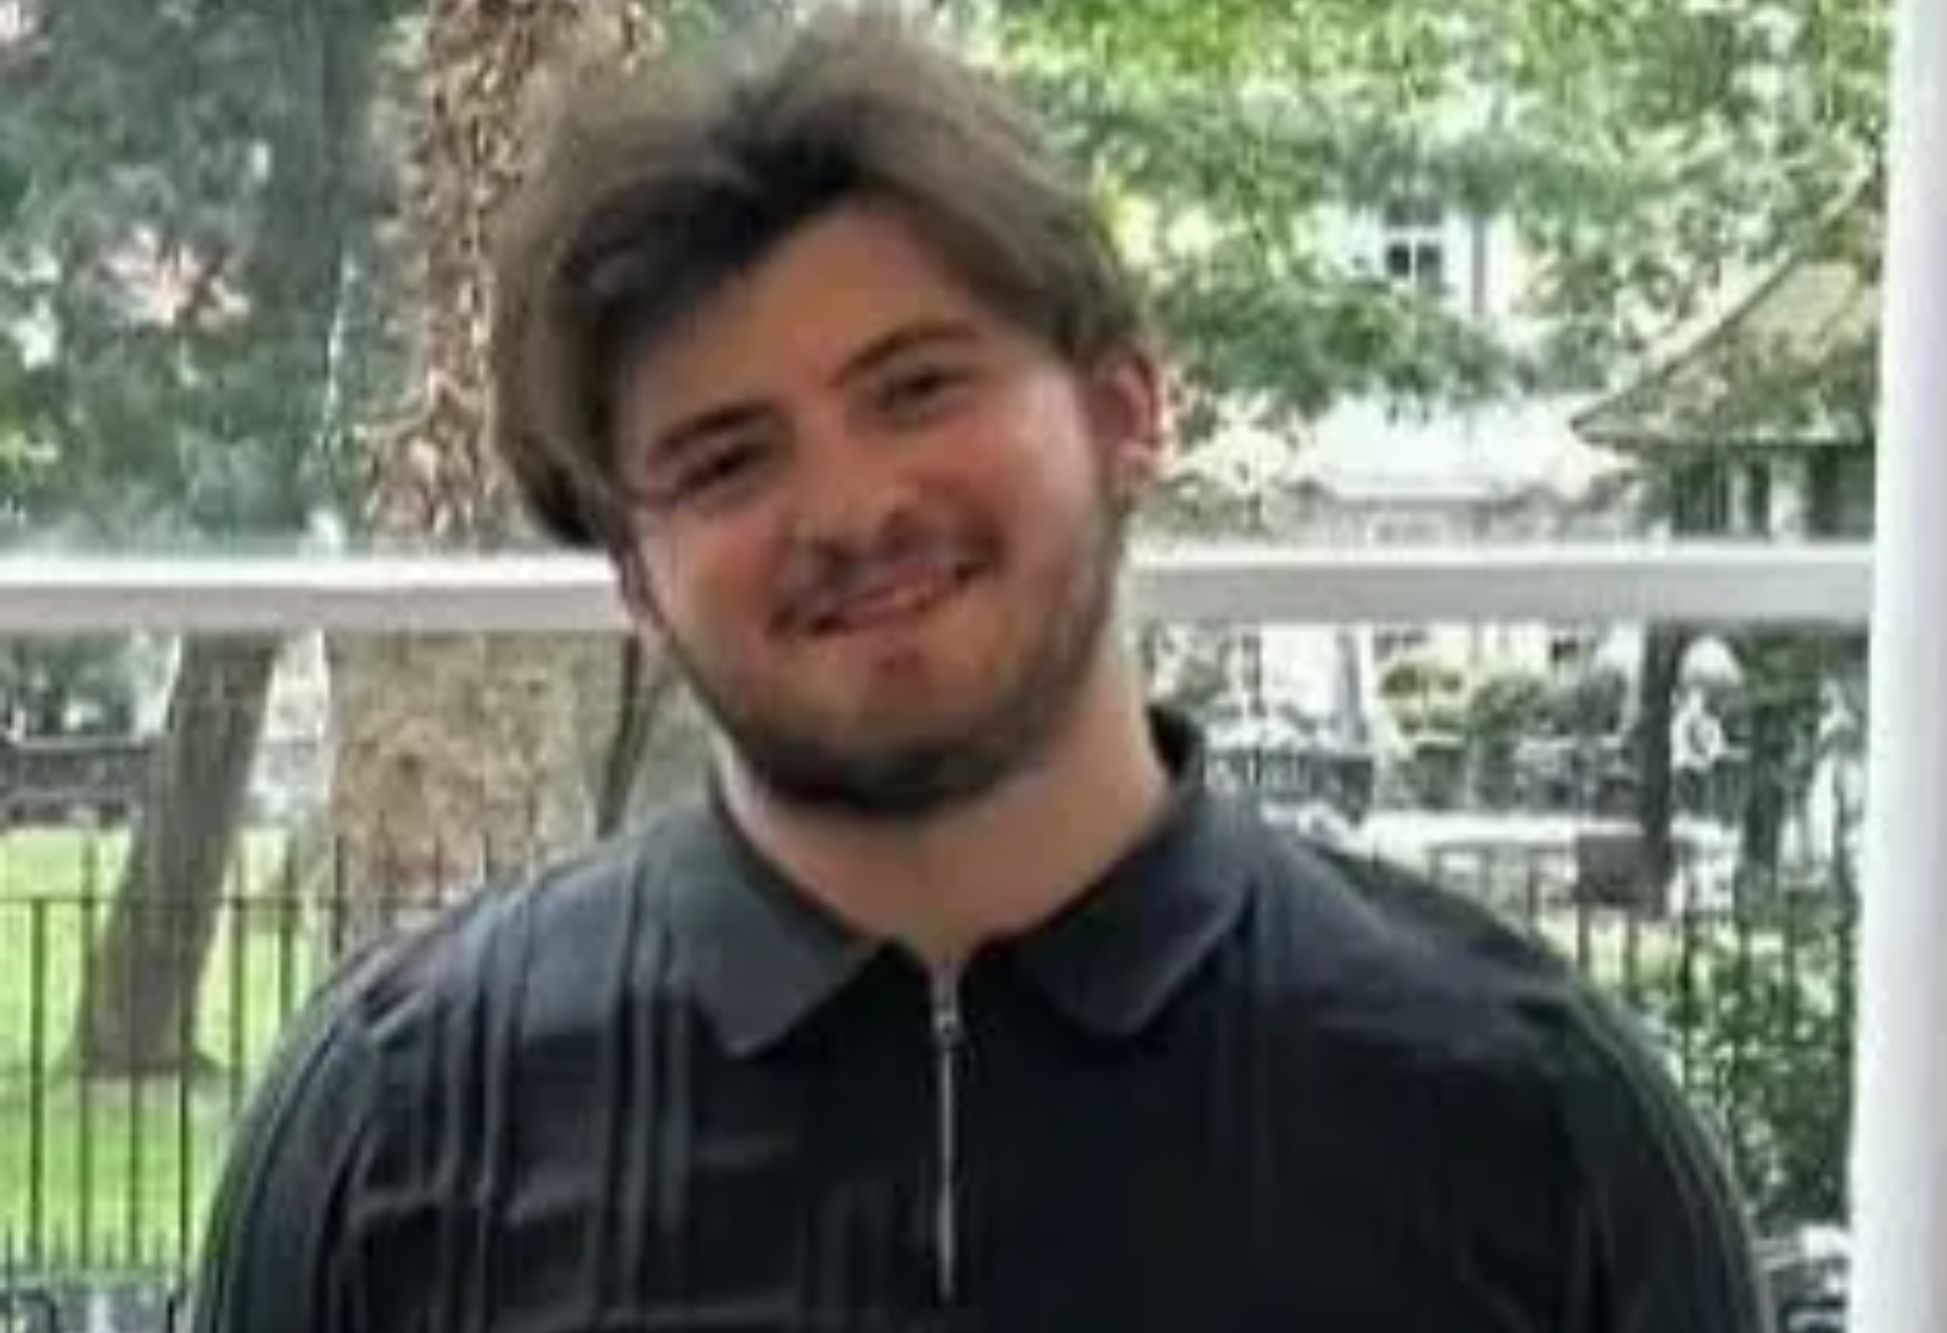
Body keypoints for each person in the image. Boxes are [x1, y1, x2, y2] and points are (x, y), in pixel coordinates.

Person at [189, 9, 1772, 1331]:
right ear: (634, 581)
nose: (853, 508)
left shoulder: (1525, 1125)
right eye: (727, 459)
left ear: (1129, 408)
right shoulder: (403, 1127)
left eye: (920, 385)